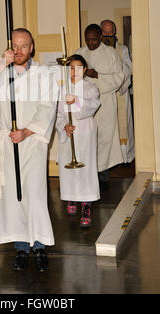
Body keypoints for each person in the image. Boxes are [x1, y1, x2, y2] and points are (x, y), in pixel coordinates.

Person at [0, 28, 58, 272]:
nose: (20, 51)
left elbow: (47, 107)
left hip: (31, 143)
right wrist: (1, 67)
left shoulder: (43, 74)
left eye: (25, 46)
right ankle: (21, 249)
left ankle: (40, 246)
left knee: (34, 195)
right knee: (12, 197)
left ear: (32, 47)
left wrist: (27, 131)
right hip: (7, 143)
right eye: (16, 46)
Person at [75, 24, 124, 186]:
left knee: (104, 138)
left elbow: (118, 78)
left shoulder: (110, 53)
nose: (90, 43)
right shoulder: (80, 53)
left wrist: (97, 75)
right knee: (87, 137)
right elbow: (71, 76)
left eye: (94, 40)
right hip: (85, 102)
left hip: (105, 103)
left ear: (101, 37)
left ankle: (102, 174)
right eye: (87, 40)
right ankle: (86, 174)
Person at [56, 54, 100, 227]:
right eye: (71, 68)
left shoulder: (90, 88)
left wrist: (76, 100)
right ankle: (71, 197)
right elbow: (58, 113)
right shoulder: (62, 89)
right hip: (69, 132)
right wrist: (64, 126)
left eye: (79, 68)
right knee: (68, 168)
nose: (75, 72)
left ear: (85, 69)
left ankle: (86, 205)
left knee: (85, 168)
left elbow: (92, 105)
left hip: (84, 132)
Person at [100, 19, 135, 164]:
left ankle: (124, 157)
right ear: (100, 32)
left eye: (111, 31)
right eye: (105, 31)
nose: (108, 34)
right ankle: (107, 160)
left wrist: (117, 82)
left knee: (122, 125)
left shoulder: (123, 49)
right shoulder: (96, 50)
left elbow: (128, 67)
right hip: (104, 94)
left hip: (119, 92)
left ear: (115, 32)